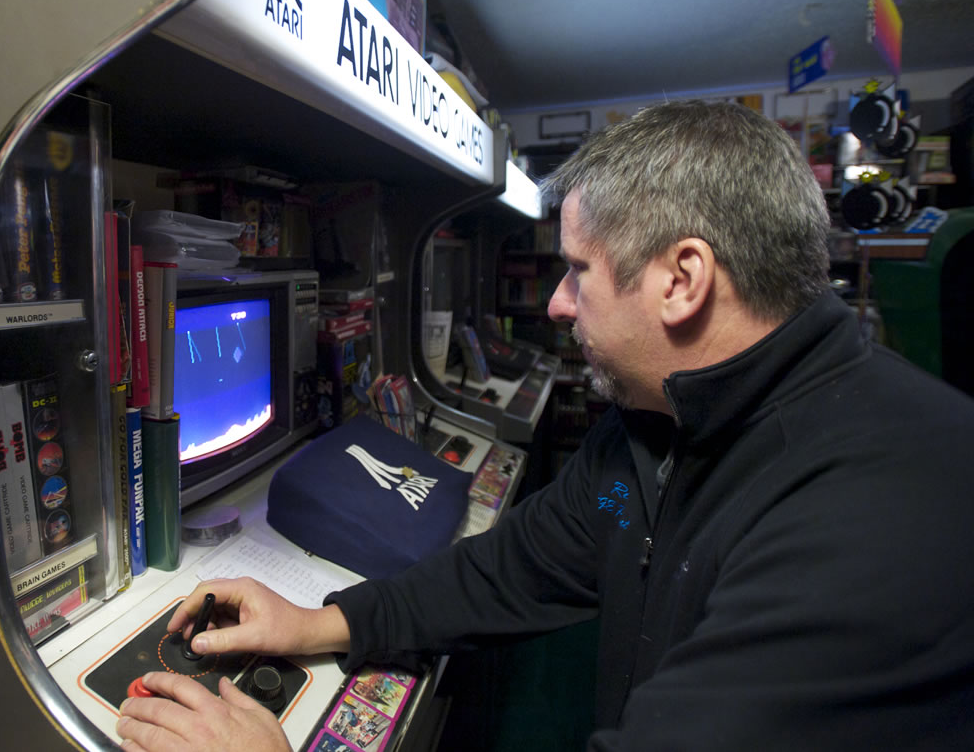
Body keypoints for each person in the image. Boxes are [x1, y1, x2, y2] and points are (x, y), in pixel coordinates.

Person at [116, 101, 974, 751]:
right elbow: (514, 565)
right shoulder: (659, 416)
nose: (557, 304)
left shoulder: (877, 509)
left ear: (683, 278)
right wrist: (318, 620)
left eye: (578, 270)